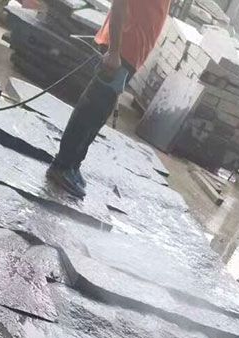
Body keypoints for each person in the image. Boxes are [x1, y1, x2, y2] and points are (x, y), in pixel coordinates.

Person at [47, 0, 170, 198]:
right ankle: (61, 165)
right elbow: (119, 5)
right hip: (120, 51)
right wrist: (113, 52)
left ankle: (73, 164)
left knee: (99, 114)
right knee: (91, 109)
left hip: (130, 54)